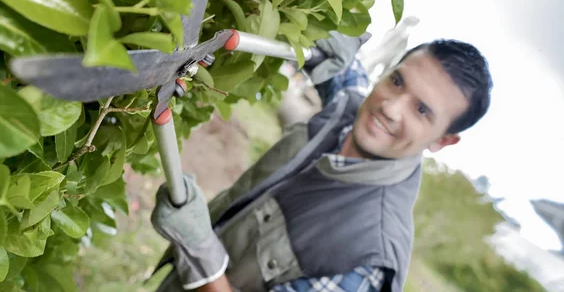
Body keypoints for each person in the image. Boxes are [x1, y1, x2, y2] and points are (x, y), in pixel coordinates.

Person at [149, 31, 494, 292]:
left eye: (421, 111)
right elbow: (346, 75)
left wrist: (200, 254)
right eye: (397, 81)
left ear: (443, 140)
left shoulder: (365, 259)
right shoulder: (348, 110)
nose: (390, 107)